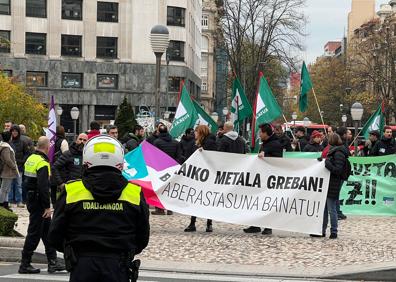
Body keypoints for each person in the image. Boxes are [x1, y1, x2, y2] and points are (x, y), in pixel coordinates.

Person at [48, 135, 150, 282]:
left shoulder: (71, 191)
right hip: (118, 266)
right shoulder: (134, 192)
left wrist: (71, 250)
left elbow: (55, 234)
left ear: (86, 160)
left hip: (81, 265)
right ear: (120, 161)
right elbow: (142, 237)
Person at [19, 137, 65, 274]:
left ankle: (53, 262)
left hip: (32, 199)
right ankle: (24, 264)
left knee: (47, 231)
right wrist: (46, 206)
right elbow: (43, 187)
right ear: (47, 147)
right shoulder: (43, 163)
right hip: (39, 202)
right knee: (34, 233)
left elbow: (25, 181)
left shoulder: (30, 159)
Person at [243, 123, 283, 235]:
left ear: (266, 133)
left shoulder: (275, 144)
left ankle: (268, 226)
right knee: (258, 202)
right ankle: (256, 225)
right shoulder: (266, 143)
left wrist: (266, 157)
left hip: (270, 178)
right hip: (262, 176)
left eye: (261, 132)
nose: (259, 134)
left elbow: (278, 160)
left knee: (267, 202)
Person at [312, 133, 349, 239]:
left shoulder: (338, 153)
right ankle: (322, 231)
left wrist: (327, 164)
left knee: (331, 209)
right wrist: (322, 160)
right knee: (324, 209)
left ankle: (333, 231)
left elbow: (337, 169)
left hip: (333, 183)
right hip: (328, 183)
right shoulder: (334, 151)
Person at [184, 125, 217, 233]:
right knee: (196, 198)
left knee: (207, 199)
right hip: (198, 174)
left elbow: (214, 157)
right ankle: (193, 223)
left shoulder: (210, 143)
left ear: (201, 132)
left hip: (207, 175)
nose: (195, 133)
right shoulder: (197, 142)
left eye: (196, 131)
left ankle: (209, 223)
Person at [152, 125, 182, 215]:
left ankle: (160, 209)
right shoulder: (176, 143)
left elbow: (154, 157)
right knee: (170, 189)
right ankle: (170, 209)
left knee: (160, 189)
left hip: (160, 169)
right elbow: (179, 156)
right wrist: (175, 166)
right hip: (172, 169)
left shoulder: (157, 142)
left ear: (159, 132)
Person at [52, 133, 88, 200]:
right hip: (70, 190)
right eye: (80, 139)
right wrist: (61, 183)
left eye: (84, 140)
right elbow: (55, 167)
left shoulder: (89, 156)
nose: (82, 141)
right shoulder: (68, 154)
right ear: (76, 140)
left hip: (84, 191)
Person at [9, 125, 33, 207]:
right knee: (10, 184)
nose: (14, 132)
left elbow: (27, 153)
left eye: (16, 131)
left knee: (19, 184)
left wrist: (23, 161)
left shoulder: (23, 142)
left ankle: (19, 201)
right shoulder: (9, 142)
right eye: (13, 131)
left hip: (19, 166)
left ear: (18, 132)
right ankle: (10, 201)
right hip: (10, 166)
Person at [50, 126, 69, 205]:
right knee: (61, 185)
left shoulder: (51, 141)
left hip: (51, 164)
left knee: (53, 186)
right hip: (60, 166)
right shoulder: (63, 141)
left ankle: (54, 203)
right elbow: (66, 154)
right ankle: (61, 203)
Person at [0, 131, 19, 211]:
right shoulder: (6, 147)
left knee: (6, 189)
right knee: (4, 189)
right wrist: (14, 166)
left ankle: (5, 204)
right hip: (7, 171)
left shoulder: (5, 146)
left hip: (7, 171)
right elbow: (7, 159)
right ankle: (1, 204)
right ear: (9, 137)